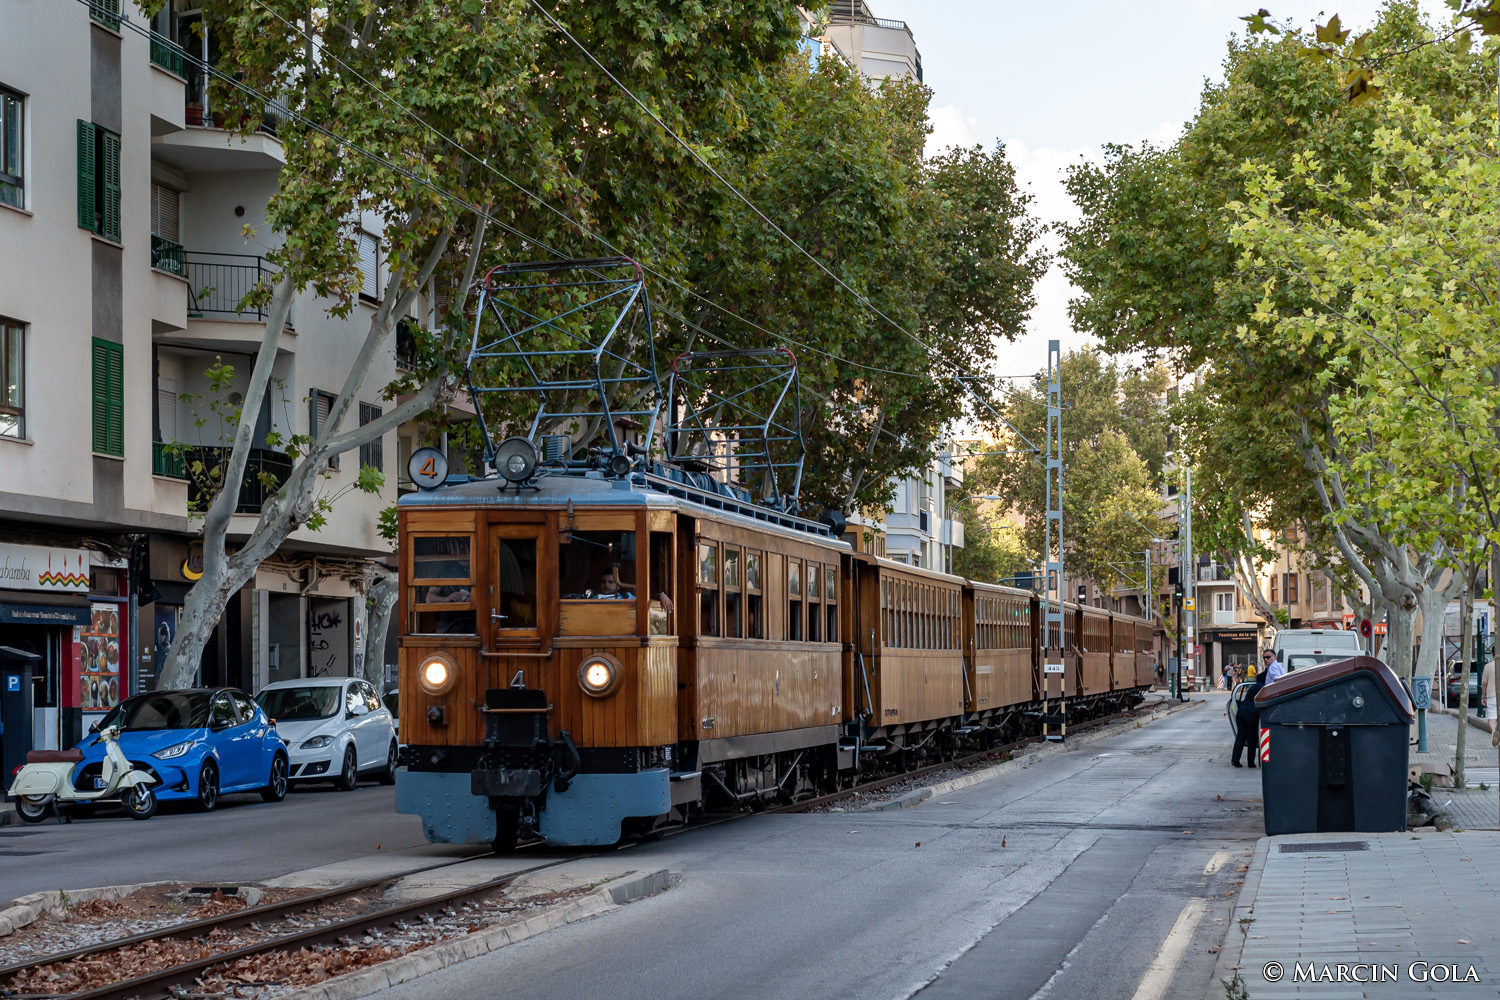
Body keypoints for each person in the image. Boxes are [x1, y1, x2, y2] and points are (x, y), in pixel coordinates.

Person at [1231, 675, 1265, 768]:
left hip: (1241, 712)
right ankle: (1251, 762)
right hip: (1251, 714)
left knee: (1240, 736)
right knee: (1252, 739)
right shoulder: (1262, 688)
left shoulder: (1253, 686)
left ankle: (1235, 760)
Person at [1483, 660, 1498, 749]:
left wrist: (1482, 696)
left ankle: (1494, 732)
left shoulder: (1488, 666)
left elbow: (1485, 683)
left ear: (1492, 653)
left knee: (1492, 720)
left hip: (1492, 696)